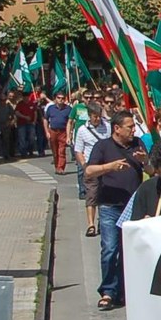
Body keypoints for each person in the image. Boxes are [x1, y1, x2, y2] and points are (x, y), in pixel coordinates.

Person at [86, 110, 147, 311]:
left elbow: (152, 170)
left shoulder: (138, 144)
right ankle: (108, 291)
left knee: (129, 251)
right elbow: (89, 171)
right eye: (129, 127)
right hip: (110, 206)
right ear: (117, 128)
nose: (133, 130)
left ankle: (125, 291)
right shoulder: (103, 146)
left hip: (132, 207)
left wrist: (145, 162)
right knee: (110, 249)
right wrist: (110, 167)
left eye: (133, 126)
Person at [73, 101, 110, 237]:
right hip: (91, 166)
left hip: (106, 166)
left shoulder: (107, 127)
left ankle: (102, 221)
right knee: (91, 195)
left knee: (104, 195)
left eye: (99, 116)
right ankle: (91, 224)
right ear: (89, 116)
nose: (97, 119)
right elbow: (78, 150)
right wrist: (84, 165)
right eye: (94, 116)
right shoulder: (82, 130)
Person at [43, 92, 73, 174]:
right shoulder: (51, 108)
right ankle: (57, 166)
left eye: (62, 98)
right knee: (55, 151)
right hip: (52, 131)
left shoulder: (68, 109)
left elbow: (70, 122)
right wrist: (46, 132)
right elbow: (45, 119)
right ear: (55, 99)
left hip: (63, 132)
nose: (60, 100)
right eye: (59, 98)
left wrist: (69, 134)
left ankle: (61, 168)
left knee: (61, 150)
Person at [0, 88, 17, 161]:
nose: (2, 101)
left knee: (6, 140)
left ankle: (6, 154)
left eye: (4, 100)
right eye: (1, 100)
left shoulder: (9, 106)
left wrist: (11, 122)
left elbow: (13, 116)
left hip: (6, 124)